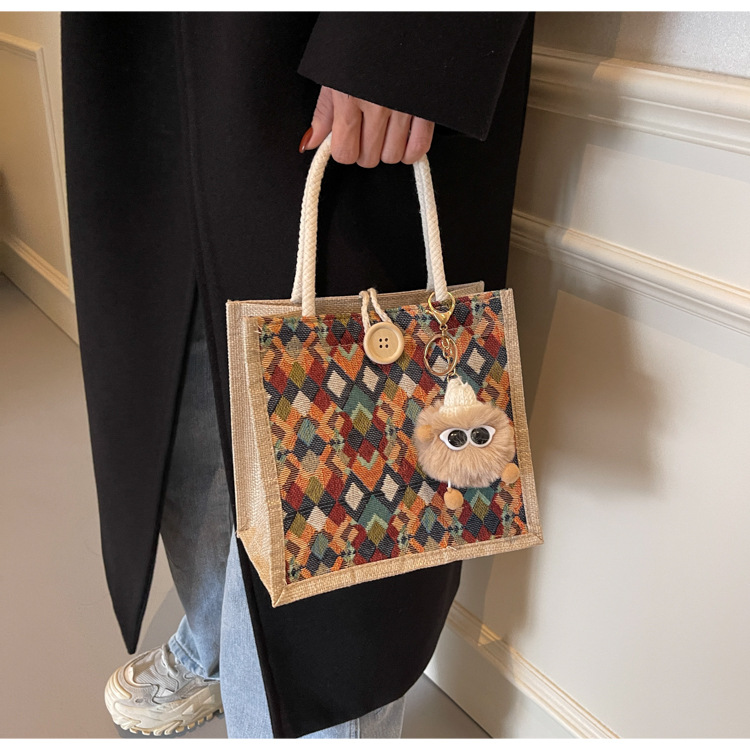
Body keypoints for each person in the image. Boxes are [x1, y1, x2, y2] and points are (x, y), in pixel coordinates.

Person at [62, 11, 534, 738]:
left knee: (354, 436)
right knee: (185, 366)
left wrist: (398, 37)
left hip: (316, 46)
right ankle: (214, 636)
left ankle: (308, 713)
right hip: (153, 43)